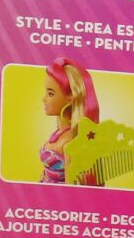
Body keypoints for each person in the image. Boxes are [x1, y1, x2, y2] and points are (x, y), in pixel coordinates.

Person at [39, 57, 99, 185]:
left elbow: (71, 189)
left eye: (50, 94)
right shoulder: (59, 133)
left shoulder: (70, 141)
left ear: (70, 99)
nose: (43, 99)